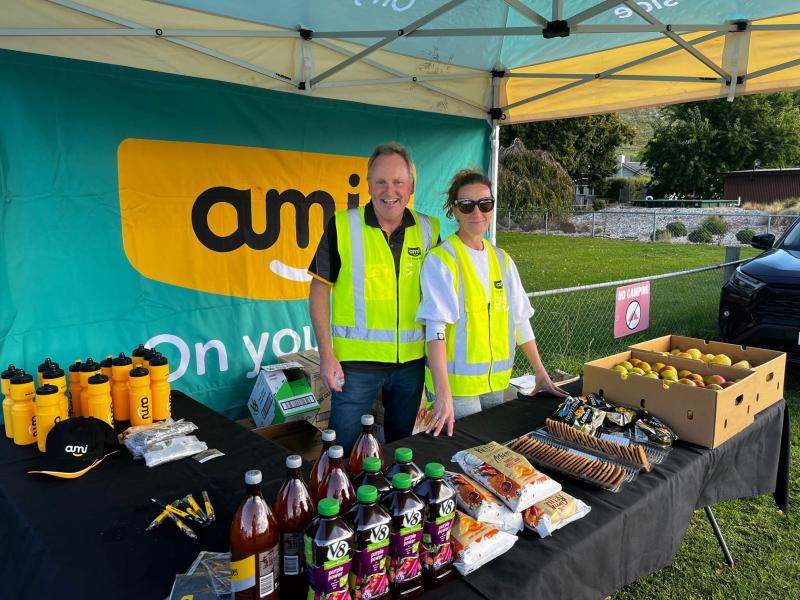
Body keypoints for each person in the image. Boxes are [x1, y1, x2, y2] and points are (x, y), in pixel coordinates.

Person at [308, 143, 440, 454]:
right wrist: (326, 354)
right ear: (368, 185)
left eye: (398, 182)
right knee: (340, 451)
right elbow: (319, 291)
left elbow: (441, 299)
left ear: (411, 187)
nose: (389, 190)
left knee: (401, 449)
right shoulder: (343, 225)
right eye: (380, 181)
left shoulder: (429, 230)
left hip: (411, 364)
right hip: (355, 366)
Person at [417, 168, 567, 437]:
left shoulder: (502, 260)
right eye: (467, 205)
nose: (477, 212)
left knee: (492, 448)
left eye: (485, 204)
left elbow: (519, 320)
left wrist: (540, 372)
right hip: (457, 388)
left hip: (495, 384)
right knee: (468, 449)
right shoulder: (442, 260)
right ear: (454, 210)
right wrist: (442, 393)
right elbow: (435, 330)